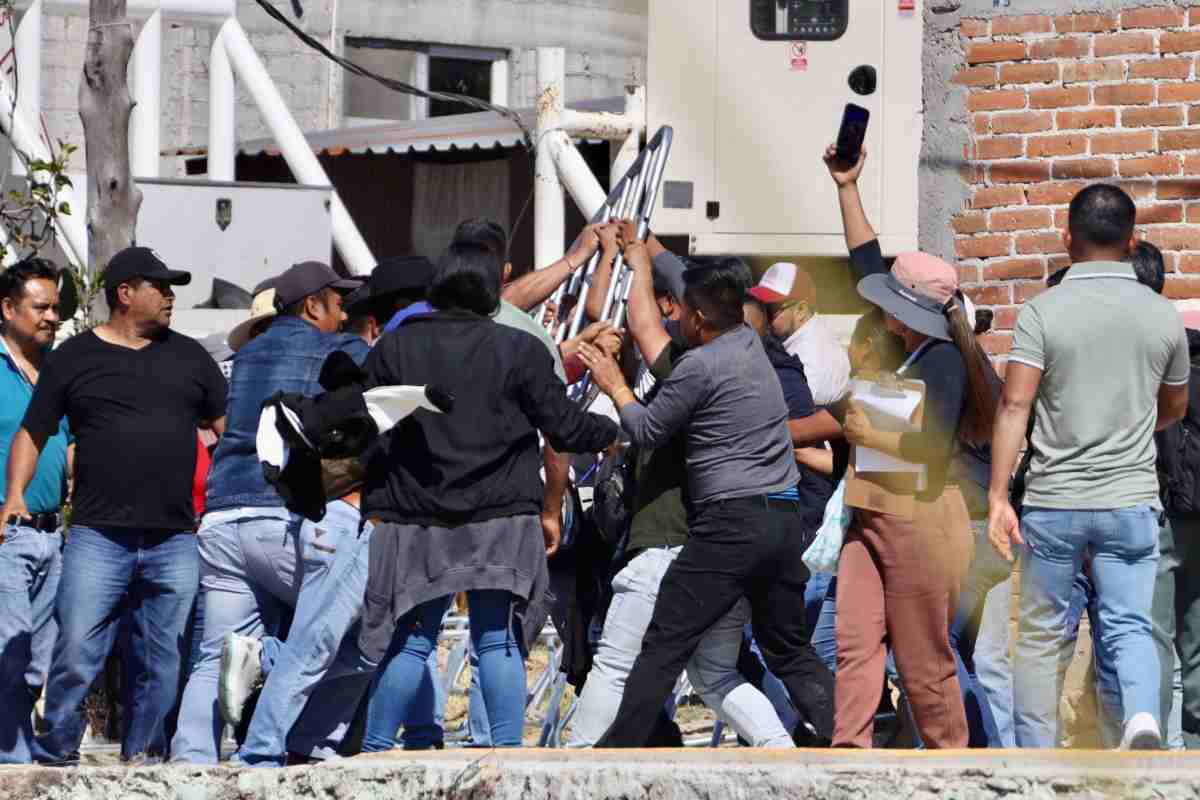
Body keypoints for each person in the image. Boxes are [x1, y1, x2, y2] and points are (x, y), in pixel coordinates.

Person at [358, 241, 618, 751]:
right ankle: (505, 756)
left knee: (412, 641)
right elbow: (562, 427)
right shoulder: (517, 348)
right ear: (491, 288)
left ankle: (374, 751)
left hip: (417, 517)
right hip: (501, 515)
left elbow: (369, 426)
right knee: (496, 637)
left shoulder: (394, 347)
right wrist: (613, 429)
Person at [579, 257, 835, 748]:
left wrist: (614, 384)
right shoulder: (755, 346)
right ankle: (851, 740)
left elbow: (648, 428)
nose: (672, 322)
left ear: (697, 318)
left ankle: (614, 756)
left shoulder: (699, 365)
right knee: (788, 650)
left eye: (680, 315)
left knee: (662, 644)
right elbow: (656, 327)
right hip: (783, 519)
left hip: (731, 525)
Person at [0, 247, 227, 764]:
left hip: (175, 537)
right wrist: (14, 495)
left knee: (162, 658)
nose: (171, 296)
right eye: (161, 286)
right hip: (98, 538)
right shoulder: (74, 358)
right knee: (77, 652)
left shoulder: (192, 357)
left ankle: (143, 758)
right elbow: (33, 434)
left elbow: (226, 433)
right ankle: (56, 749)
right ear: (126, 293)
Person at [988, 184, 1189, 750]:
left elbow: (1014, 405)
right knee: (1129, 623)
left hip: (1055, 502)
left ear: (1067, 238)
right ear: (1131, 241)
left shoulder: (1041, 311)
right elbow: (1172, 406)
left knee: (1040, 637)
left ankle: (1036, 752)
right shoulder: (1161, 316)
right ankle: (1143, 720)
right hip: (1130, 499)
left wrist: (1000, 495)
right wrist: (1128, 431)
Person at [171, 260, 365, 764]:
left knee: (214, 652)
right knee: (356, 626)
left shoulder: (246, 353)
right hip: (280, 513)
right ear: (312, 305)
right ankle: (300, 726)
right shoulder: (337, 349)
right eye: (338, 304)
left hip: (220, 518)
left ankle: (190, 764)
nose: (344, 315)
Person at [0, 259, 70, 764]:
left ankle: (16, 749)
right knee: (12, 650)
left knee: (36, 660)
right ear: (7, 308)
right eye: (39, 307)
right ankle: (14, 759)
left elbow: (68, 447)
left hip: (53, 533)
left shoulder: (57, 373)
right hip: (7, 532)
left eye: (55, 309)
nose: (51, 317)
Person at [1165, 309, 1200, 749]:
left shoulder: (1164, 378)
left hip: (1169, 514)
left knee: (1157, 630)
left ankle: (1171, 741)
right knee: (1195, 630)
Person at [748, 260, 850, 406]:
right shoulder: (818, 331)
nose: (763, 317)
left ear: (801, 310)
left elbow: (800, 413)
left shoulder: (808, 360)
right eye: (760, 306)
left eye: (771, 309)